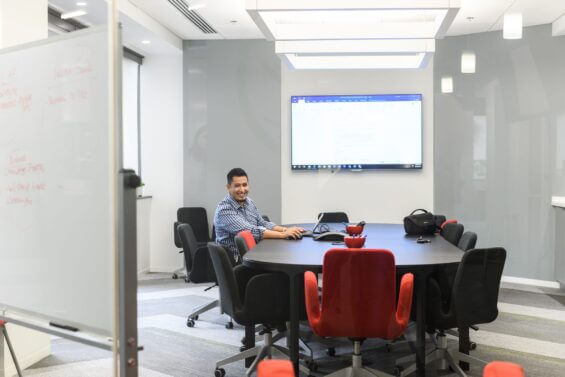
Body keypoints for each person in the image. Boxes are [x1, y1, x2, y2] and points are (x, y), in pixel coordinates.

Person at [214, 167, 304, 264]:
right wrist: (283, 235)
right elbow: (251, 231)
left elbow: (262, 223)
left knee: (289, 255)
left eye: (245, 185)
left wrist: (285, 230)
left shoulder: (249, 202)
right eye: (237, 186)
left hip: (253, 254)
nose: (242, 189)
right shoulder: (224, 210)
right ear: (228, 187)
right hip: (238, 262)